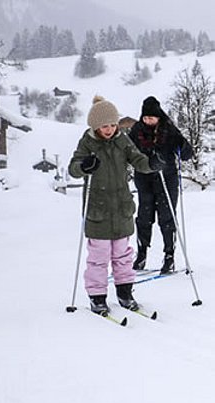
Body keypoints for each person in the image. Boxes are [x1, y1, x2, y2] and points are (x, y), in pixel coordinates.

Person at [68, 96, 164, 315]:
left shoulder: (123, 139)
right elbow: (73, 168)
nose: (110, 129)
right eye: (105, 126)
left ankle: (125, 292)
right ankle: (97, 296)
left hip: (121, 208)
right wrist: (84, 166)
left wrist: (151, 164)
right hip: (98, 211)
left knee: (123, 255)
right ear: (95, 126)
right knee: (98, 258)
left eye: (113, 124)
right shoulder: (87, 142)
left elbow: (137, 159)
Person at [127, 96, 193, 274]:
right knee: (144, 217)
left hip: (167, 178)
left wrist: (183, 147)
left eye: (151, 118)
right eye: (145, 118)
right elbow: (127, 150)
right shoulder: (136, 130)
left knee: (167, 217)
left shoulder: (169, 130)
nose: (148, 121)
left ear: (158, 117)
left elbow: (186, 153)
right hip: (144, 178)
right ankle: (141, 254)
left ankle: (169, 256)